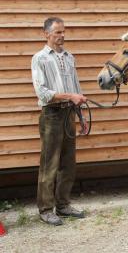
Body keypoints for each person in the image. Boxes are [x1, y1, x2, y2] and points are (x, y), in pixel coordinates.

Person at [31, 17, 87, 226]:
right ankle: (45, 210)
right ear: (46, 34)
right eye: (57, 32)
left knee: (68, 163)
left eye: (63, 32)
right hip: (51, 115)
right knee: (49, 164)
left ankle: (63, 205)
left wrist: (80, 117)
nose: (62, 36)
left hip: (69, 114)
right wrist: (69, 97)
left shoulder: (69, 57)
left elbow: (76, 89)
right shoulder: (40, 59)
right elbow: (43, 93)